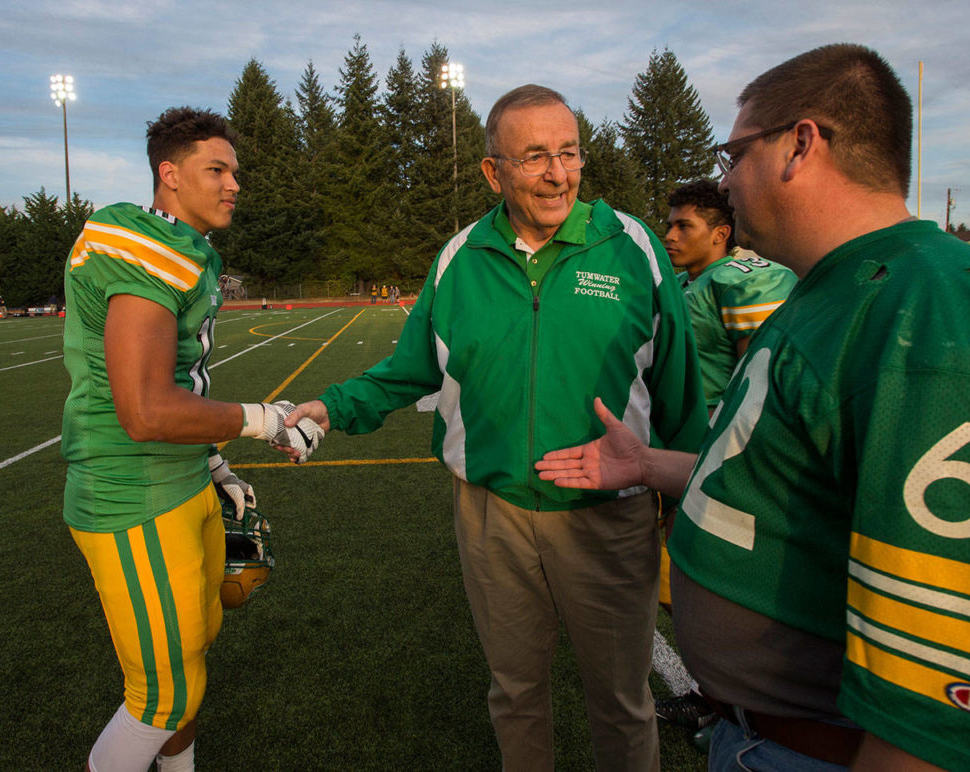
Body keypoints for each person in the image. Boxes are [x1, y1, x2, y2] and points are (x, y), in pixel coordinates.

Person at [536, 44, 970, 771]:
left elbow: (942, 669)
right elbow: (783, 480)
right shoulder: (836, 286)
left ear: (801, 145)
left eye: (734, 151)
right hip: (763, 736)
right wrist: (648, 462)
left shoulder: (925, 311)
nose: (724, 178)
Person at [283, 84, 708, 771]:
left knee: (621, 702)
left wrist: (681, 497)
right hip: (492, 516)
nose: (557, 173)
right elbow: (407, 369)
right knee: (514, 693)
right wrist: (331, 406)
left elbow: (681, 389)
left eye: (568, 153)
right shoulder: (459, 259)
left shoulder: (633, 250)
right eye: (535, 156)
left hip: (611, 516)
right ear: (494, 172)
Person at [61, 106, 320, 772]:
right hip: (134, 491)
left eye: (235, 170)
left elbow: (180, 381)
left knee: (193, 654)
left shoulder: (191, 253)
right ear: (168, 175)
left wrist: (213, 463)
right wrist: (262, 419)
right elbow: (145, 410)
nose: (234, 183)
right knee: (163, 696)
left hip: (181, 479)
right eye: (217, 169)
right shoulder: (142, 245)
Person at [653, 180, 797, 731]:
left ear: (721, 233)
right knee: (680, 582)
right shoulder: (691, 280)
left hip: (724, 457)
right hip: (683, 449)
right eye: (668, 224)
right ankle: (715, 689)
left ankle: (739, 695)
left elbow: (761, 380)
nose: (669, 235)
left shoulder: (745, 278)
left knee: (721, 584)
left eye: (683, 226)